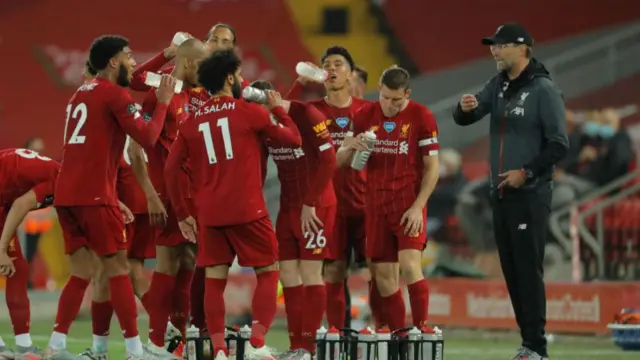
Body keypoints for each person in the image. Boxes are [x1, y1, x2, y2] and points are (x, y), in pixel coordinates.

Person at [163, 49, 301, 360]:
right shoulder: (249, 112)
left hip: (209, 214)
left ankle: (220, 349)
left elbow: (171, 169)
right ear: (228, 78)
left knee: (214, 280)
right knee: (268, 271)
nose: (241, 81)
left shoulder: (191, 123)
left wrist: (184, 213)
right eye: (238, 75)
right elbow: (293, 140)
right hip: (247, 209)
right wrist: (279, 109)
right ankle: (256, 341)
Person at [46, 35, 176, 359]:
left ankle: (57, 346)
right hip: (94, 196)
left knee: (81, 273)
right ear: (114, 61)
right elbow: (146, 135)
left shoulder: (79, 94)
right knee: (119, 270)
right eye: (129, 57)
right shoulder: (114, 94)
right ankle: (134, 350)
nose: (133, 64)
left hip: (66, 196)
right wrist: (163, 101)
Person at [452, 23, 568, 360]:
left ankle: (537, 347)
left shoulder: (544, 90)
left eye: (501, 45)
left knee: (527, 270)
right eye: (493, 45)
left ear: (522, 48)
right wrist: (465, 106)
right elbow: (465, 118)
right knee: (513, 272)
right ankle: (527, 343)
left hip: (530, 193)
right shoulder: (499, 84)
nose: (494, 50)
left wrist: (526, 172)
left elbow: (559, 145)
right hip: (500, 193)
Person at [336, 66, 439, 331]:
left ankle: (422, 329)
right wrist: (350, 147)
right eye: (384, 97)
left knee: (409, 265)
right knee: (382, 274)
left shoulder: (422, 116)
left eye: (396, 100)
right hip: (375, 205)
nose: (390, 105)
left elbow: (433, 168)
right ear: (378, 91)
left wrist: (418, 207)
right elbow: (339, 161)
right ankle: (398, 336)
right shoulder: (362, 115)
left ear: (408, 93)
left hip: (408, 205)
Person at [128, 38, 208, 357]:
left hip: (195, 193)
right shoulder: (159, 93)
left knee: (189, 260)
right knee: (167, 263)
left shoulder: (200, 95)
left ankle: (181, 339)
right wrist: (149, 193)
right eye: (200, 65)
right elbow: (137, 145)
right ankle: (156, 342)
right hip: (167, 192)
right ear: (187, 64)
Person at [285, 46, 371, 329]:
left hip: (366, 204)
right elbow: (278, 112)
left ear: (351, 73)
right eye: (327, 65)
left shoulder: (368, 111)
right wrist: (300, 82)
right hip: (329, 205)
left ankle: (384, 335)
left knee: (381, 272)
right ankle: (338, 336)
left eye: (338, 64)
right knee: (333, 272)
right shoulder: (311, 111)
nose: (332, 69)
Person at [251, 79, 337, 358]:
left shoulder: (309, 115)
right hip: (288, 207)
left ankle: (309, 348)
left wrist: (310, 203)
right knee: (287, 275)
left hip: (316, 206)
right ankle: (296, 345)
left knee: (311, 273)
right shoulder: (265, 123)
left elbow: (329, 161)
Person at [0, 148, 59, 359]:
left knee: (18, 269)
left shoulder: (64, 174)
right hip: (4, 200)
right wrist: (1, 249)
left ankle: (23, 347)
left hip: (3, 199)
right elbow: (20, 204)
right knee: (13, 266)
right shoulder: (62, 182)